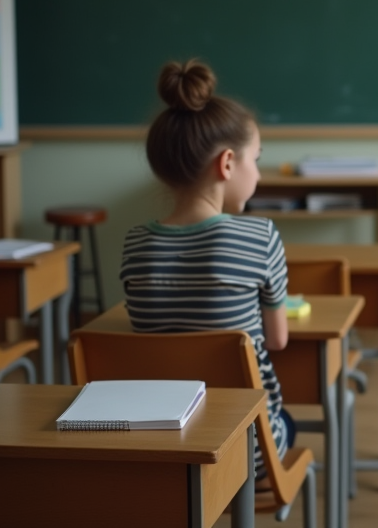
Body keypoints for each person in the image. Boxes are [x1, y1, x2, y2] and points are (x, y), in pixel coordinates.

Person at [120, 59, 294, 480]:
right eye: (257, 158)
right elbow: (277, 339)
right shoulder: (261, 236)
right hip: (245, 446)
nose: (257, 171)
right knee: (291, 421)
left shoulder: (135, 245)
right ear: (228, 163)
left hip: (160, 444)